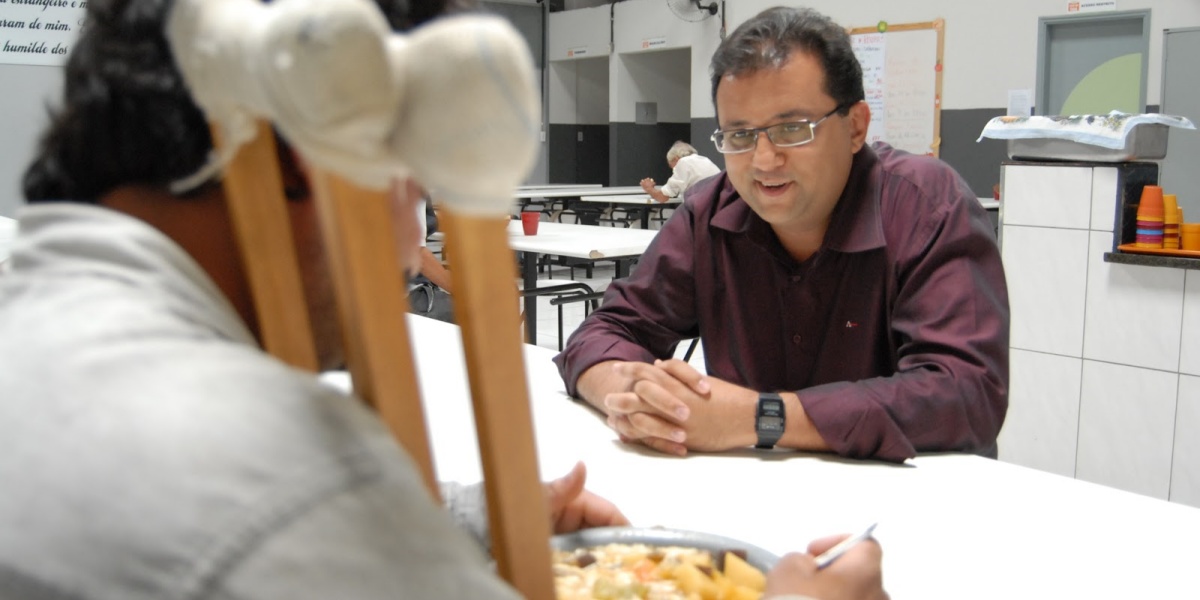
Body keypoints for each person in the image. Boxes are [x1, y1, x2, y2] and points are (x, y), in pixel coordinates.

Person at [0, 0, 886, 598]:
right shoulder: (282, 474)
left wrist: (439, 520)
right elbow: (276, 518)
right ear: (320, 151)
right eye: (407, 171)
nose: (407, 241)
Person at [555, 6, 1009, 464]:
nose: (764, 161)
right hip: (761, 501)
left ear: (855, 127)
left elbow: (966, 393)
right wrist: (639, 398)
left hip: (910, 507)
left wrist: (760, 418)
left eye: (792, 129)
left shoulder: (926, 205)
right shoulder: (710, 212)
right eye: (740, 135)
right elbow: (606, 330)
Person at [639, 140, 722, 204]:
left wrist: (649, 188)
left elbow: (662, 197)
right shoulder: (705, 160)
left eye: (672, 167)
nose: (674, 171)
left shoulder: (683, 162)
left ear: (676, 158)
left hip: (701, 209)